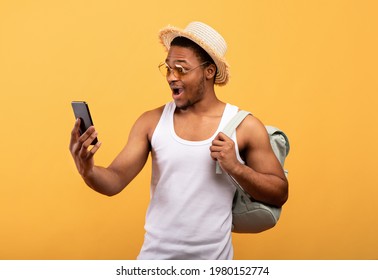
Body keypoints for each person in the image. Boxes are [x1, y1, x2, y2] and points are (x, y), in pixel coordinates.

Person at [69, 21, 288, 260]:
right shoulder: (151, 122)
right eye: (168, 68)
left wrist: (235, 167)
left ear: (209, 71)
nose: (172, 77)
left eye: (182, 69)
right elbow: (114, 181)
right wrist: (87, 170)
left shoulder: (244, 125)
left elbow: (279, 193)